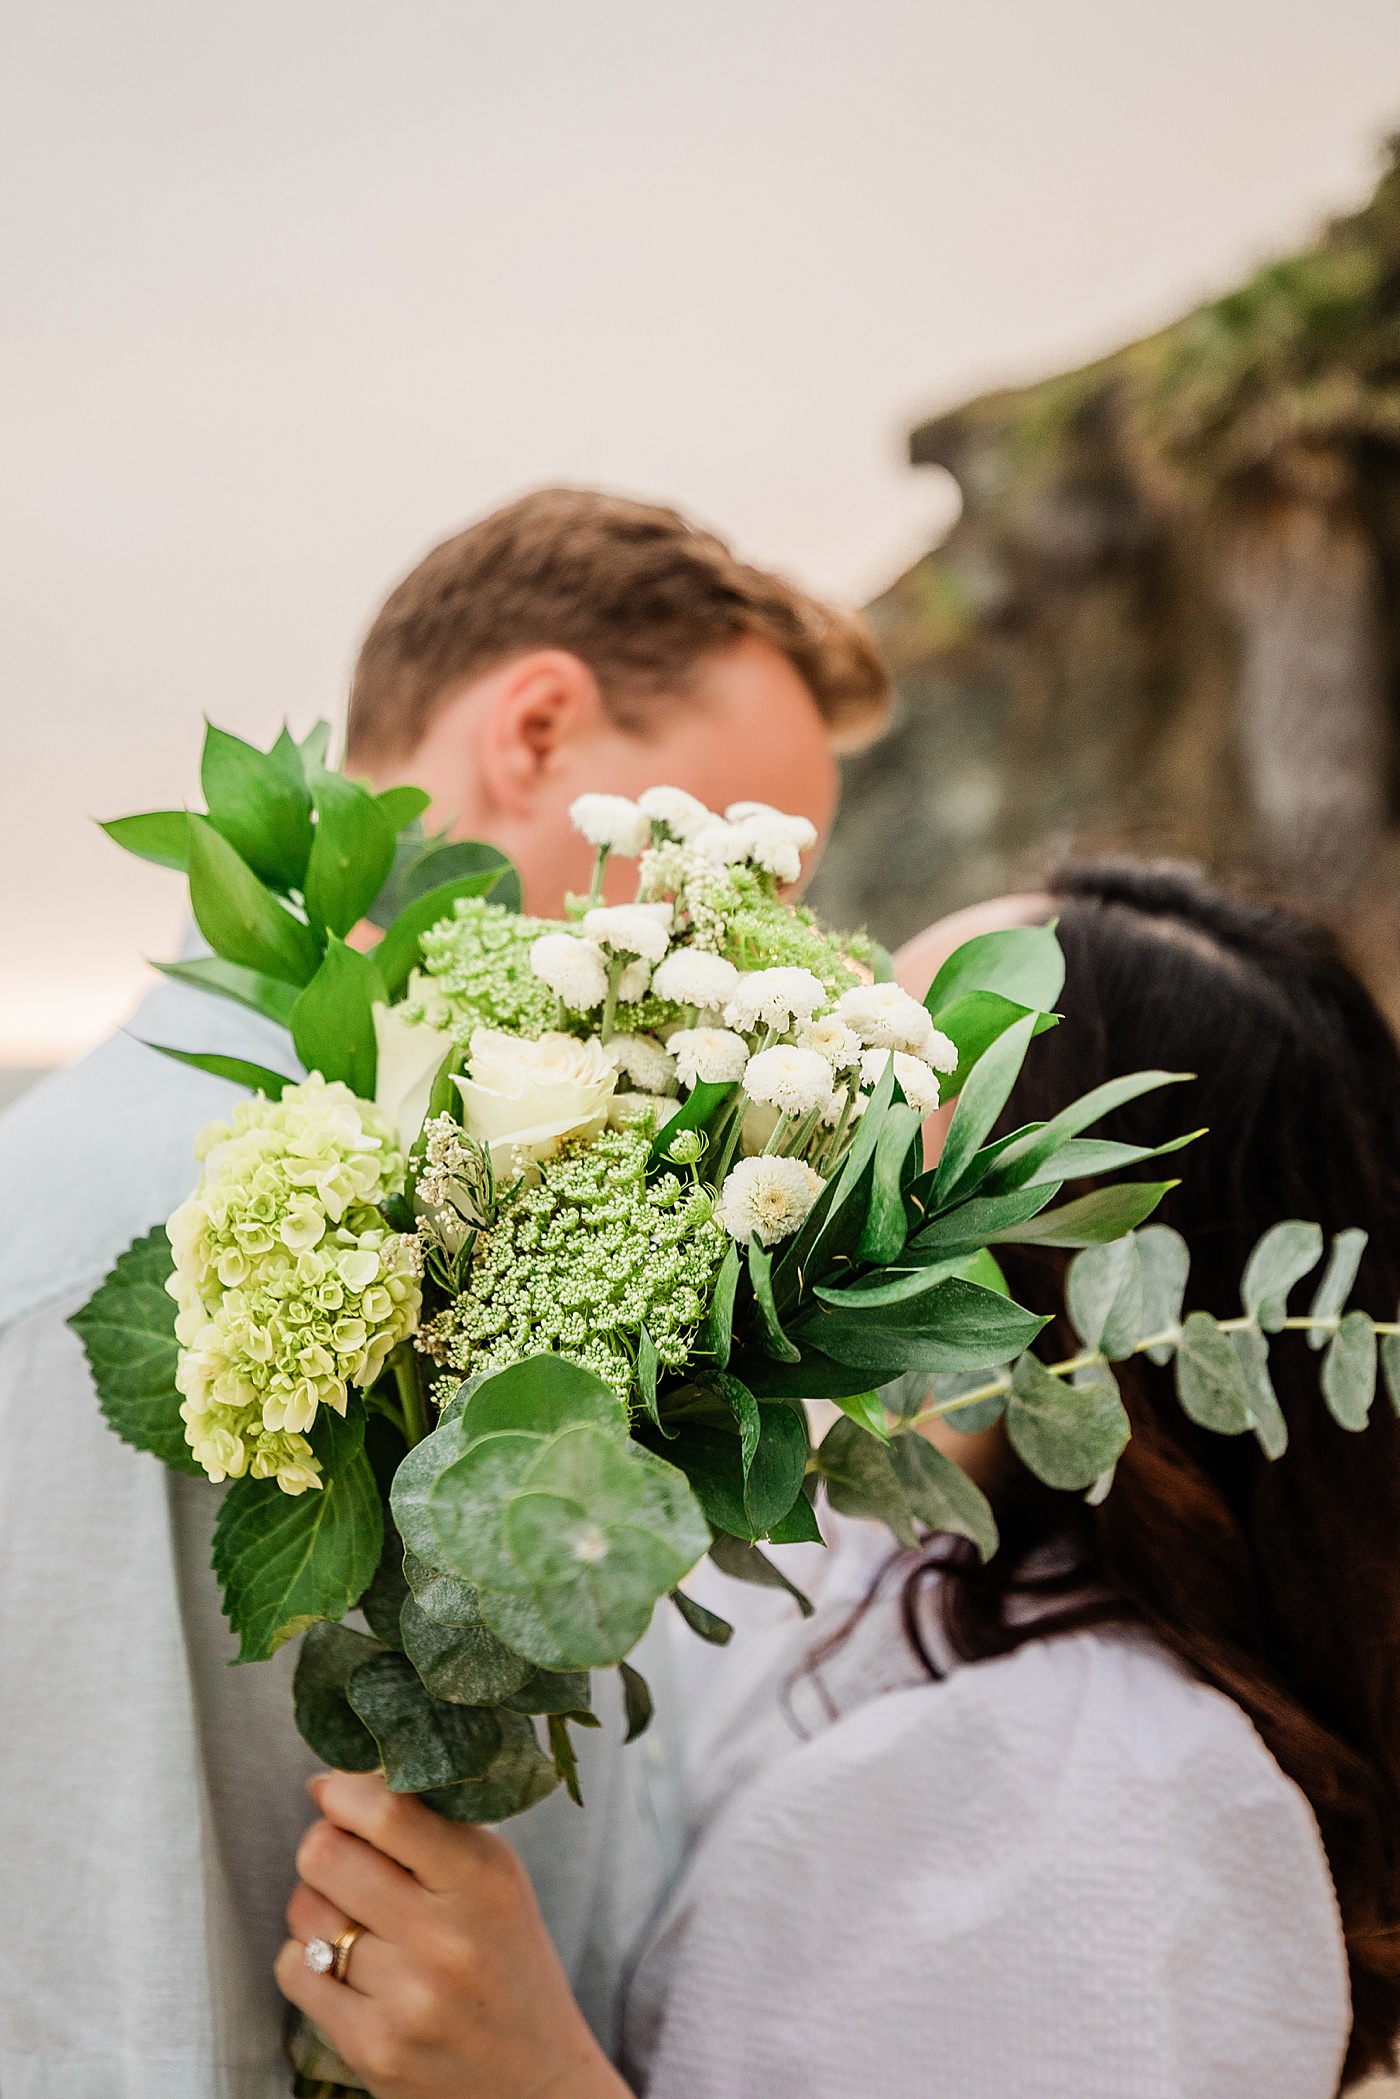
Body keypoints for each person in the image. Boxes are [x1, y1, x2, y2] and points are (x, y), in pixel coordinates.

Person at [0, 487, 888, 2098]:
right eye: (726, 867)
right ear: (539, 731)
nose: (757, 951)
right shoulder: (69, 1275)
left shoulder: (551, 1234)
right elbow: (79, 1983)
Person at [276, 861, 1400, 2097]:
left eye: (894, 1067)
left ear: (1073, 1235)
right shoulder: (855, 1544)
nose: (805, 1075)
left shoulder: (1113, 1790)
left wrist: (534, 2077)